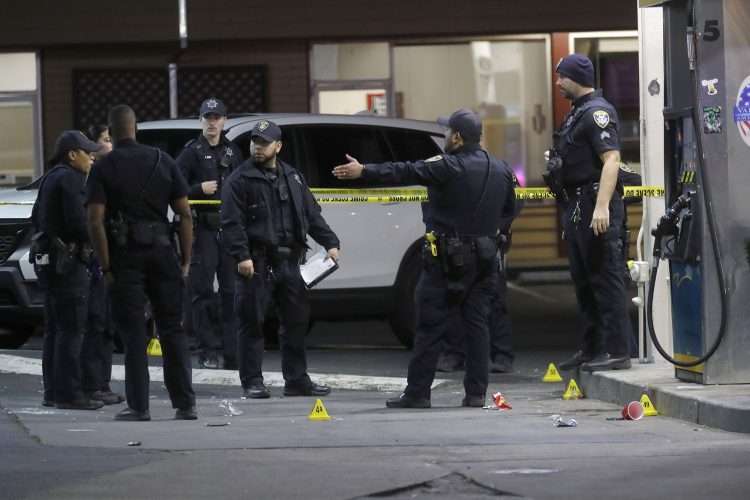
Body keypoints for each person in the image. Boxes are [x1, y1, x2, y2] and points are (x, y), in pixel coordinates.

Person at [333, 108, 517, 408]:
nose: (446, 138)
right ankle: (475, 394)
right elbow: (511, 208)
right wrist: (495, 233)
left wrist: (363, 170)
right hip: (485, 257)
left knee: (430, 325)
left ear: (457, 137)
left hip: (446, 259)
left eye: (447, 134)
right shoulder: (501, 169)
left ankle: (418, 393)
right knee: (478, 326)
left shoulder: (447, 166)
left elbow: (404, 170)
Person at [86, 104, 197, 421]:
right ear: (136, 128)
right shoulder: (164, 160)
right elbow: (185, 214)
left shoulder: (104, 167)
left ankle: (139, 406)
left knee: (134, 334)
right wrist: (186, 260)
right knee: (172, 330)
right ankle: (185, 404)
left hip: (125, 257)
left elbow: (95, 221)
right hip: (163, 253)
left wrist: (106, 266)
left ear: (111, 129)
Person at [221, 120, 340, 399]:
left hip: (291, 262)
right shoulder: (239, 179)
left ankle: (297, 380)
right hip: (257, 263)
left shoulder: (293, 177)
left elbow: (311, 215)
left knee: (296, 323)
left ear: (278, 146)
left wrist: (331, 242)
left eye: (263, 143)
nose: (257, 147)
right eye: (254, 142)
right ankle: (252, 381)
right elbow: (231, 222)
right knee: (252, 323)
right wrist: (242, 256)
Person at [546, 54, 631, 372]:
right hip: (577, 206)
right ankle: (591, 348)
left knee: (605, 280)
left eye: (561, 77)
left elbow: (611, 160)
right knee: (584, 282)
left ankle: (617, 351)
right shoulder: (576, 114)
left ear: (574, 78)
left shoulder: (597, 113)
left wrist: (602, 207)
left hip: (595, 205)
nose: (558, 83)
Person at [31, 130, 104, 410]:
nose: (92, 158)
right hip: (70, 264)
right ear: (72, 154)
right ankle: (70, 393)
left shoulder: (50, 177)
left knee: (55, 330)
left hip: (52, 263)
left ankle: (53, 391)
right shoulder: (71, 179)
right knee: (72, 330)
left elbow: (37, 217)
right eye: (88, 152)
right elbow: (78, 222)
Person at [177, 98, 243, 369]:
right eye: (208, 118)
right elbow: (175, 185)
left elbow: (243, 185)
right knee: (202, 293)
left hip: (228, 231)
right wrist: (196, 189)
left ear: (225, 120)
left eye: (217, 117)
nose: (212, 122)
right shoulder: (191, 152)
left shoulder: (234, 151)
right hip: (203, 230)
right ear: (200, 120)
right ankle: (207, 350)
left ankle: (231, 352)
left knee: (231, 292)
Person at [437, 175, 522, 374]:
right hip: (458, 242)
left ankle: (501, 355)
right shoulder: (451, 168)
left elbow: (517, 200)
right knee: (454, 296)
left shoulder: (497, 169)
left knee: (495, 300)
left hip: (490, 241)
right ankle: (455, 354)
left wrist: (498, 225)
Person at [78, 124, 124, 406]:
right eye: (106, 140)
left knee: (107, 324)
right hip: (94, 262)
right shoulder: (88, 177)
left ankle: (102, 383)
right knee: (95, 322)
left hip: (113, 259)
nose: (111, 146)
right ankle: (92, 384)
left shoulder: (114, 176)